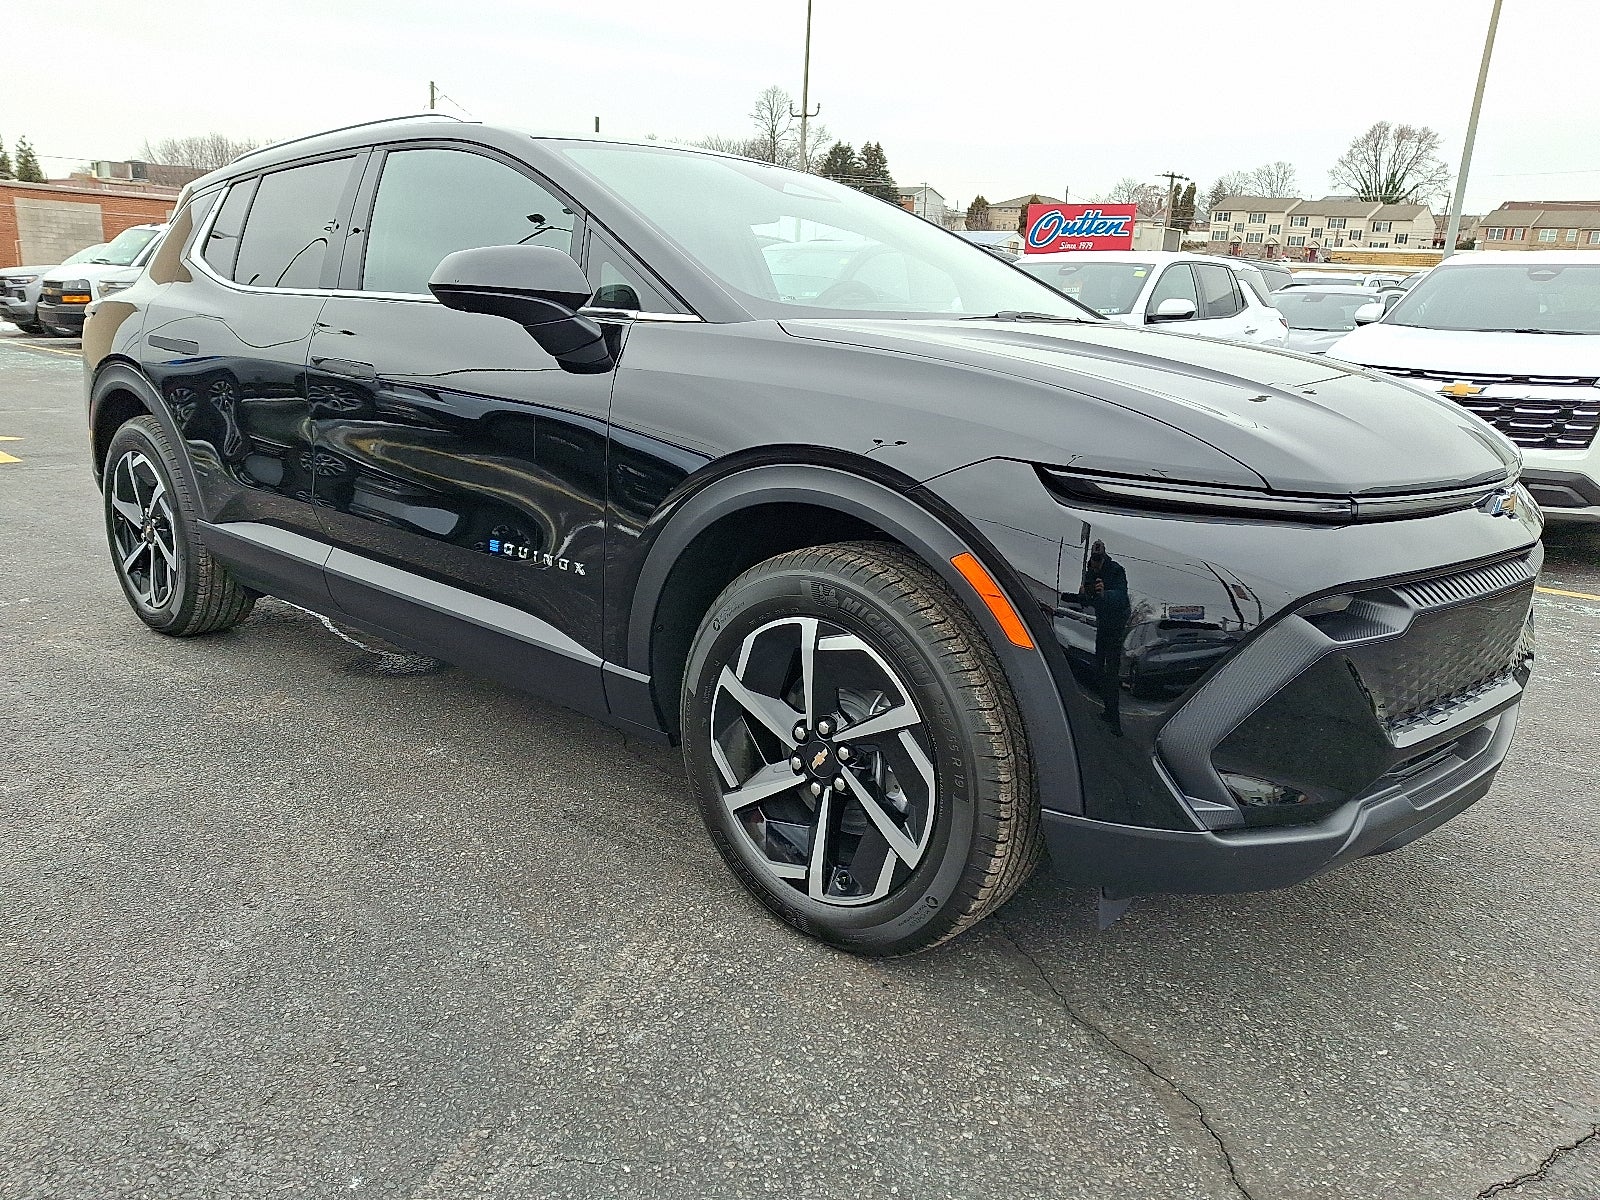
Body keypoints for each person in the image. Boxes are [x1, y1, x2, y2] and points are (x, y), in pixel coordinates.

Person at [1080, 540, 1131, 734]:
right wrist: (1085, 593)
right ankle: (1108, 710)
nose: (1096, 562)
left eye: (1099, 558)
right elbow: (1085, 600)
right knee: (1099, 668)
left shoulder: (1116, 570)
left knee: (1112, 672)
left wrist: (1105, 594)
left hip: (1117, 625)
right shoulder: (1090, 574)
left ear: (1104, 557)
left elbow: (1122, 596)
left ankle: (1115, 721)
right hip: (1102, 625)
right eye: (1093, 559)